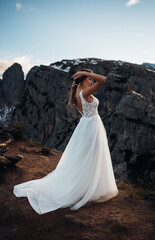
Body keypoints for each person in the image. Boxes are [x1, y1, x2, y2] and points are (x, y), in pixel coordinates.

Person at [13, 68, 118, 215]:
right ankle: (86, 187)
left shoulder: (77, 93)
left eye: (91, 79)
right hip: (92, 126)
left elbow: (96, 82)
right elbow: (103, 79)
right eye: (89, 79)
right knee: (91, 156)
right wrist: (86, 73)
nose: (91, 80)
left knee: (87, 157)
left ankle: (86, 185)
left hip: (87, 125)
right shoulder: (85, 93)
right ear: (82, 79)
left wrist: (84, 74)